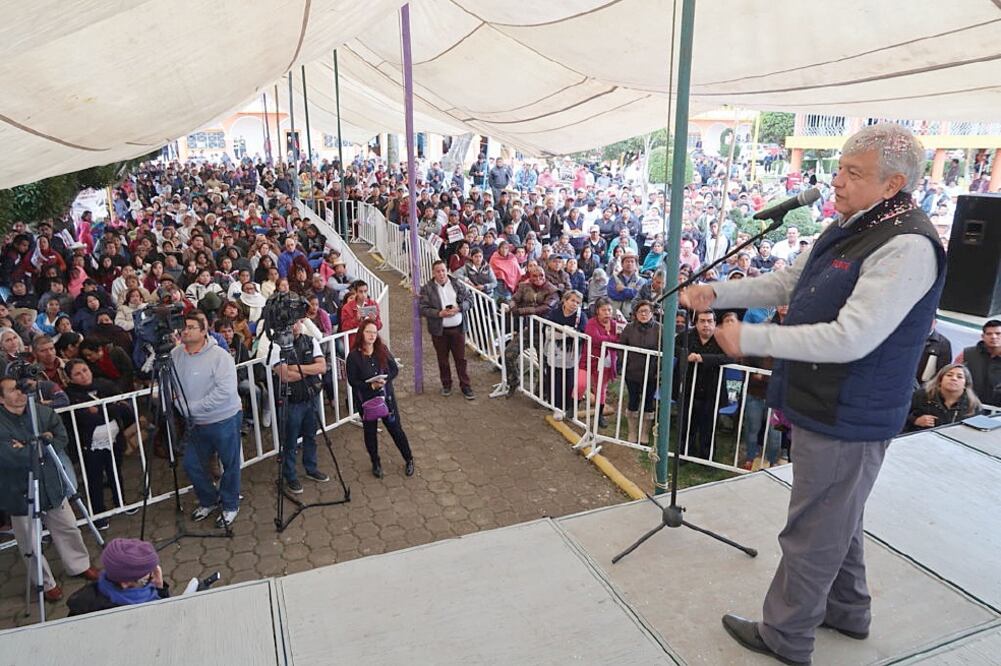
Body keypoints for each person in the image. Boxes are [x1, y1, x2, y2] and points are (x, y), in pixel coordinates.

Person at [683, 124, 946, 665]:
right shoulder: (858, 222)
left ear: (893, 183)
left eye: (854, 173)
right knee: (835, 518)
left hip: (848, 409)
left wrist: (750, 337)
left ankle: (786, 635)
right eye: (840, 168)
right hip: (827, 401)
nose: (837, 182)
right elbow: (788, 283)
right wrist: (718, 292)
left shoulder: (907, 245)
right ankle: (848, 612)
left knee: (812, 532)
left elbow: (854, 336)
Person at [0, 377, 99, 602]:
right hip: (19, 489)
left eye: (21, 388)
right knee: (29, 540)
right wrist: (41, 443)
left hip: (51, 483)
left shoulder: (41, 413)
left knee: (68, 527)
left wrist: (28, 445)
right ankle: (44, 583)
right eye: (12, 391)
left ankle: (79, 565)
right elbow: (8, 456)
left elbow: (61, 437)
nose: (20, 393)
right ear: (1, 398)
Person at [170, 312, 242, 528]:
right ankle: (209, 500)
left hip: (223, 419)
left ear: (203, 331)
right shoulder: (175, 355)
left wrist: (191, 408)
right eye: (184, 327)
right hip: (195, 423)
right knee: (192, 464)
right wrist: (179, 406)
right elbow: (172, 386)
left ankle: (230, 505)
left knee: (230, 464)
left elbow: (225, 391)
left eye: (191, 327)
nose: (185, 330)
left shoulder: (220, 356)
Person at [268, 313, 330, 494]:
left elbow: (322, 367)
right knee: (290, 440)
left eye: (297, 322)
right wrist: (308, 371)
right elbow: (284, 375)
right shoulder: (276, 346)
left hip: (312, 398)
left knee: (311, 435)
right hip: (291, 401)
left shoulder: (311, 341)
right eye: (291, 323)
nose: (295, 326)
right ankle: (290, 475)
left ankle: (311, 468)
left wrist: (296, 368)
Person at [345, 319, 414, 478]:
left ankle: (408, 458)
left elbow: (394, 369)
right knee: (370, 433)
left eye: (375, 333)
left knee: (396, 429)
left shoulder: (381, 349)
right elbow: (352, 381)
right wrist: (370, 386)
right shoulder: (353, 357)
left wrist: (385, 379)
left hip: (386, 398)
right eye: (369, 332)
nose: (372, 335)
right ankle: (375, 462)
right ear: (362, 333)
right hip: (367, 401)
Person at [67, 538, 170, 616]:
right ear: (125, 583)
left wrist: (160, 588)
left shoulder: (111, 584)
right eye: (146, 579)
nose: (153, 576)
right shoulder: (97, 611)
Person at [419, 261, 475, 399]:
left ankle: (465, 386)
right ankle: (446, 385)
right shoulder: (427, 288)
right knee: (442, 359)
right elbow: (422, 309)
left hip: (458, 328)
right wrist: (439, 313)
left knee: (461, 359)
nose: (441, 274)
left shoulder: (457, 283)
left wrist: (459, 308)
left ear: (447, 270)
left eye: (443, 270)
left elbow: (470, 299)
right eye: (438, 271)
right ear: (433, 273)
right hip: (439, 331)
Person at [617, 300, 661, 442]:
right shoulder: (629, 328)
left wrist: (659, 370)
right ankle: (632, 431)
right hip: (632, 372)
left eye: (646, 311)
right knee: (633, 400)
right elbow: (622, 347)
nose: (643, 314)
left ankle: (645, 432)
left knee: (649, 401)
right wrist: (625, 364)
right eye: (640, 311)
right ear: (635, 314)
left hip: (652, 373)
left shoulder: (660, 329)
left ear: (652, 313)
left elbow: (665, 349)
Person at [544, 290, 587, 421]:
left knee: (569, 380)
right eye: (572, 300)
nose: (575, 304)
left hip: (571, 354)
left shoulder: (581, 316)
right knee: (554, 378)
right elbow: (548, 331)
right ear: (565, 300)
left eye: (578, 302)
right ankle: (556, 406)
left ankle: (568, 406)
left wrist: (566, 332)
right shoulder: (555, 312)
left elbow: (581, 334)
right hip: (554, 351)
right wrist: (565, 332)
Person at [905, 363, 981, 432]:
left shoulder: (973, 405)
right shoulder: (921, 395)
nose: (954, 378)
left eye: (959, 377)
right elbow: (899, 416)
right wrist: (915, 420)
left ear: (966, 384)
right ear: (940, 380)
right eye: (949, 375)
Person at [583, 297, 619, 428]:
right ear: (598, 311)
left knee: (601, 389)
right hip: (591, 359)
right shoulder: (592, 322)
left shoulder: (614, 324)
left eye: (609, 309)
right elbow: (596, 339)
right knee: (581, 384)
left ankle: (599, 416)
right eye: (604, 310)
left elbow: (620, 339)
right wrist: (612, 339)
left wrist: (610, 339)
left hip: (608, 361)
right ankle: (571, 406)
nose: (607, 312)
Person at [955, 319, 1001, 406]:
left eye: (998, 334)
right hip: (968, 407)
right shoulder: (967, 354)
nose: (994, 337)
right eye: (989, 334)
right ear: (983, 336)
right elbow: (952, 375)